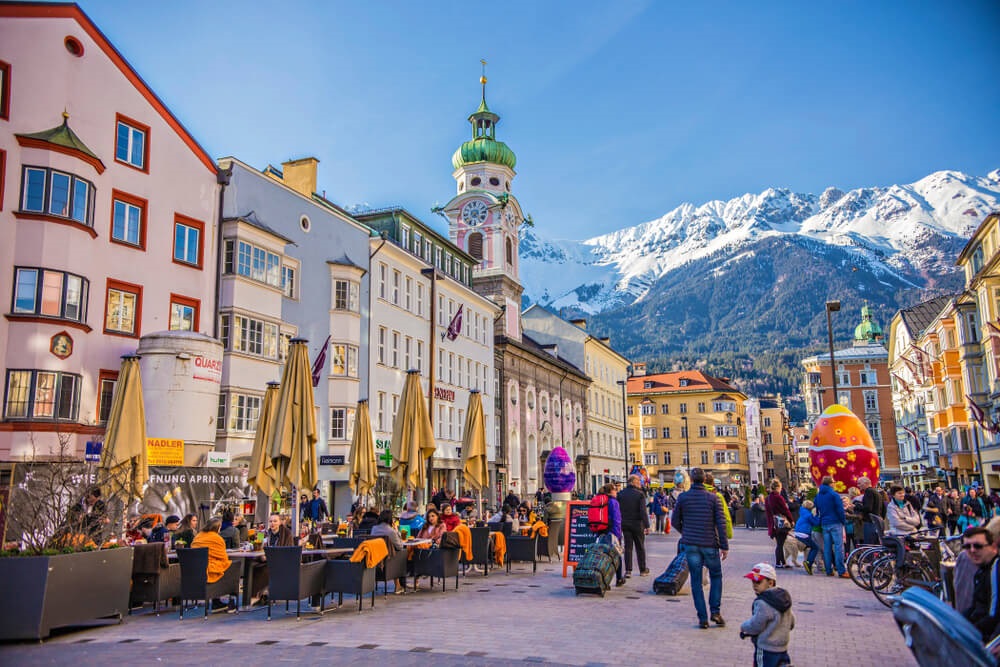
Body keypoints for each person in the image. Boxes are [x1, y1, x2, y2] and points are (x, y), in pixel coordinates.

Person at [672, 467, 730, 629]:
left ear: (691, 480)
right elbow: (721, 523)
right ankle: (715, 612)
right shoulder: (714, 498)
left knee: (696, 581)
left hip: (691, 544)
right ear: (704, 480)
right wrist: (724, 546)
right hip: (710, 543)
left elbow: (675, 521)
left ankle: (702, 618)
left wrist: (686, 532)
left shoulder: (683, 498)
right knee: (716, 576)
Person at [740, 563, 795, 667]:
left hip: (766, 648)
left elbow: (756, 625)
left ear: (770, 583)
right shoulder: (784, 599)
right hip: (782, 648)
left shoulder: (763, 603)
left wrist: (744, 627)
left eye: (758, 582)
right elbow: (791, 622)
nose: (754, 585)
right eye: (753, 581)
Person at [961, 526, 1000, 645]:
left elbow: (994, 615)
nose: (972, 550)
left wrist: (966, 632)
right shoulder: (982, 571)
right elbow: (975, 607)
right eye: (967, 547)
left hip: (986, 640)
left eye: (978, 546)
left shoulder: (995, 569)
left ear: (993, 547)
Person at [190, 517, 238, 613]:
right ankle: (231, 600)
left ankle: (217, 602)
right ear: (218, 527)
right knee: (234, 566)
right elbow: (223, 558)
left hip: (196, 571)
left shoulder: (198, 536)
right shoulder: (217, 538)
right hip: (209, 570)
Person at [814, 475, 848, 578]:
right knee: (838, 547)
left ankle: (829, 570)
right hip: (835, 522)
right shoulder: (834, 494)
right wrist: (843, 521)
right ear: (830, 483)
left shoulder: (818, 496)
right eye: (833, 482)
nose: (834, 484)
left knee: (827, 548)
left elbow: (817, 510)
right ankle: (841, 571)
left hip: (824, 523)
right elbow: (840, 510)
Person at [617, 474, 651, 577]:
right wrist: (647, 526)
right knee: (640, 547)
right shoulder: (640, 494)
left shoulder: (621, 494)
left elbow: (618, 510)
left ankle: (628, 570)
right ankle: (642, 569)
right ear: (634, 482)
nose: (640, 483)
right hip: (637, 524)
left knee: (628, 547)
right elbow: (643, 511)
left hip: (625, 523)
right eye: (638, 481)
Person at [371, 510, 407, 594]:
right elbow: (400, 546)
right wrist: (396, 530)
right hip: (389, 560)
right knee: (403, 553)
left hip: (375, 558)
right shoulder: (391, 531)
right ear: (390, 519)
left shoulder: (374, 528)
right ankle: (399, 585)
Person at [764, 480, 794, 569]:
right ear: (777, 488)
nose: (781, 489)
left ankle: (782, 562)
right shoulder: (778, 497)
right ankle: (779, 563)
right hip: (781, 523)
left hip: (773, 523)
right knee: (780, 544)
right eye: (780, 488)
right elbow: (785, 510)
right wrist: (791, 520)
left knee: (779, 543)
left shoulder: (767, 498)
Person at [792, 500, 820, 575]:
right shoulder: (808, 515)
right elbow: (816, 523)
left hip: (798, 532)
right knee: (815, 548)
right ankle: (809, 563)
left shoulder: (803, 512)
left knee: (811, 547)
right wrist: (819, 516)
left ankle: (808, 562)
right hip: (803, 533)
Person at [857, 476, 884, 545]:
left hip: (870, 521)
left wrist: (856, 507)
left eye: (859, 483)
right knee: (876, 544)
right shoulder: (876, 492)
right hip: (876, 521)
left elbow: (868, 508)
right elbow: (883, 508)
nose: (858, 485)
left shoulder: (869, 492)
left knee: (869, 544)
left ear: (865, 483)